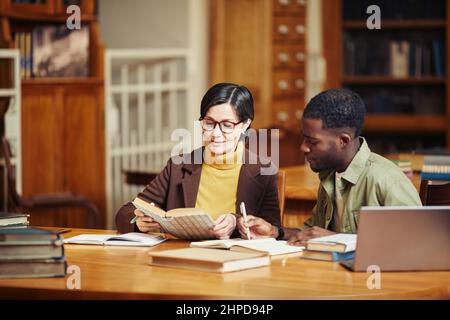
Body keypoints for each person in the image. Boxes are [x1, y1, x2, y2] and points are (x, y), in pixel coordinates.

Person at [237, 88, 422, 245]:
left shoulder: (387, 181)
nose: (303, 147)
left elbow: (415, 243)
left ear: (343, 140)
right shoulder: (330, 175)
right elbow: (311, 234)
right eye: (303, 137)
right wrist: (275, 232)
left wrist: (339, 239)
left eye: (313, 142)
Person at [115, 82, 281, 239]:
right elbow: (125, 213)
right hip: (181, 259)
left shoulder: (262, 171)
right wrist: (139, 223)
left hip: (236, 262)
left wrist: (237, 222)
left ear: (245, 125)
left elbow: (272, 230)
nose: (215, 134)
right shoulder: (179, 166)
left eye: (227, 125)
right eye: (209, 123)